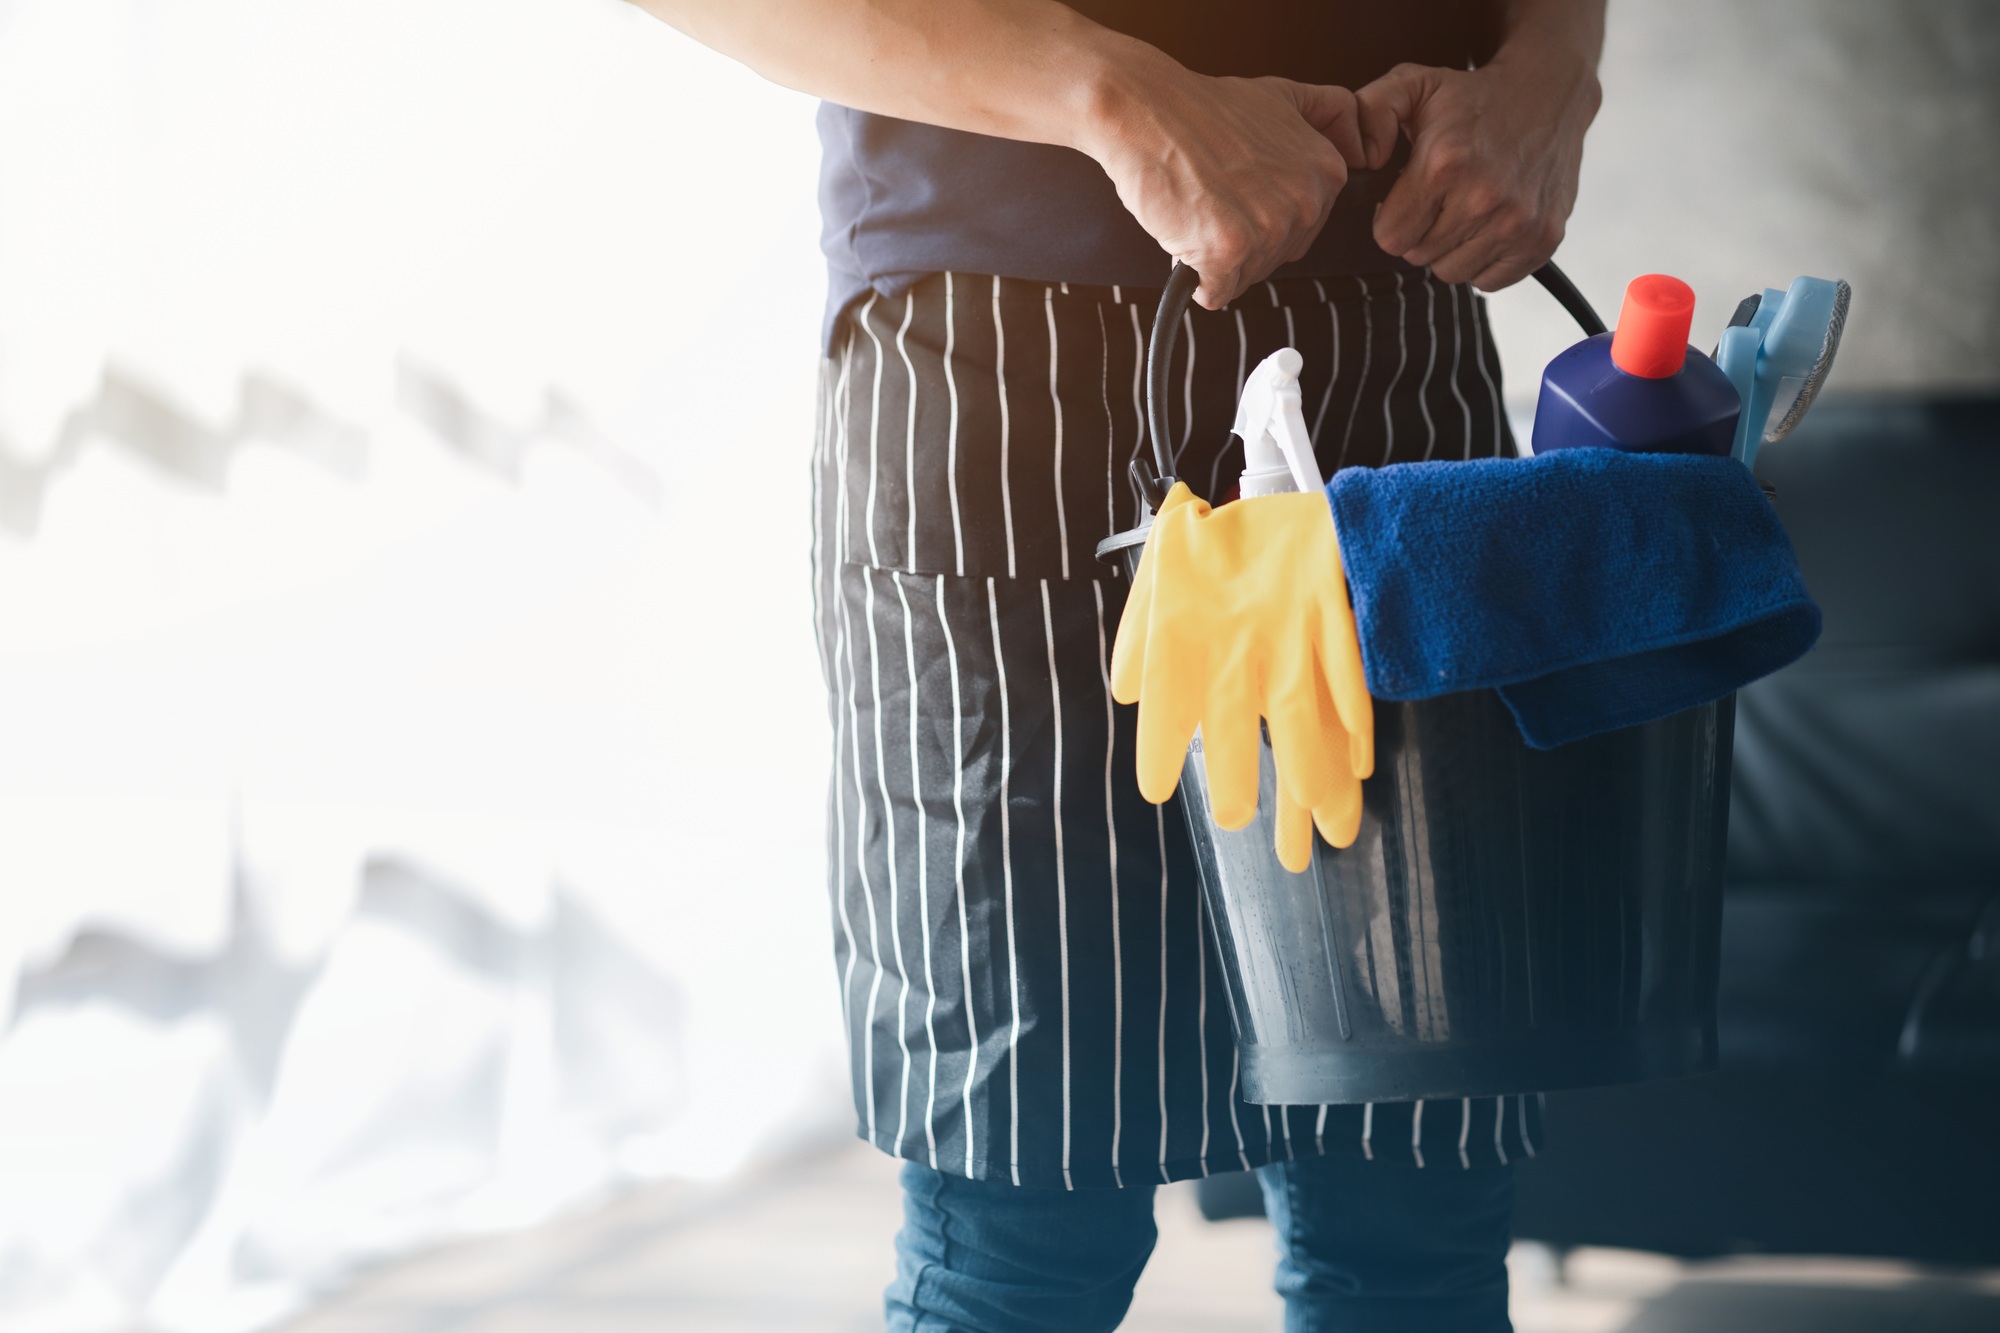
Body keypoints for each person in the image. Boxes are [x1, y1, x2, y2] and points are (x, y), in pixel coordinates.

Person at [631, 3, 1604, 1328]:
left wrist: (1552, 70)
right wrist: (1108, 91)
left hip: (1401, 338)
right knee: (1023, 1222)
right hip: (1002, 363)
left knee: (1417, 1219)